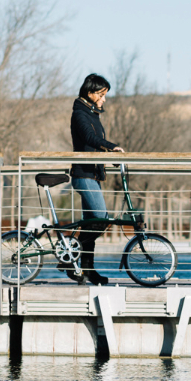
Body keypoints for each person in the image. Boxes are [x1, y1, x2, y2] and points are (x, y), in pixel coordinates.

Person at [69, 73, 125, 284]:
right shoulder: (79, 114)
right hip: (83, 175)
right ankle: (73, 258)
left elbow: (94, 144)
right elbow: (90, 139)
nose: (104, 99)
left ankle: (87, 269)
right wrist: (111, 146)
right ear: (90, 93)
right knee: (101, 219)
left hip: (92, 174)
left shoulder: (92, 113)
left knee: (91, 224)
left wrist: (109, 155)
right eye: (101, 95)